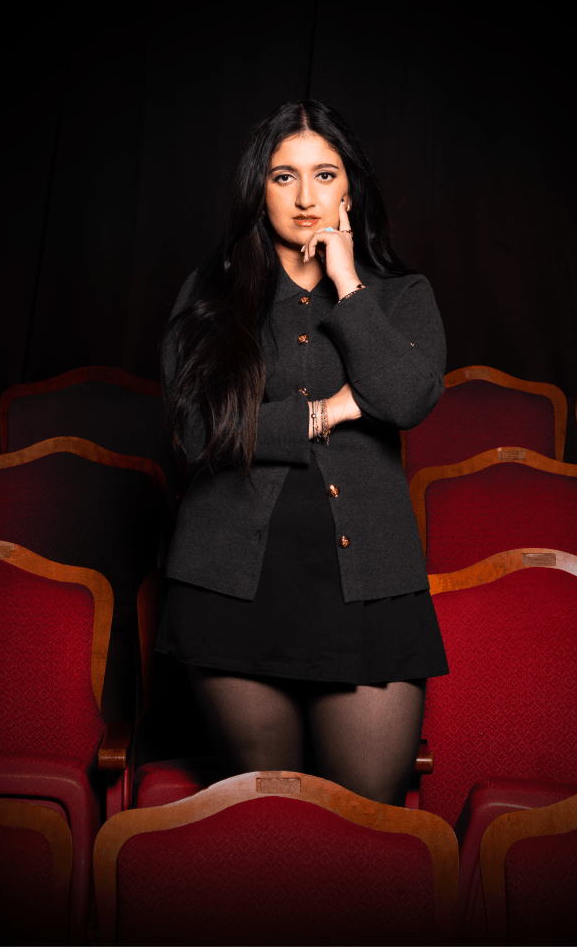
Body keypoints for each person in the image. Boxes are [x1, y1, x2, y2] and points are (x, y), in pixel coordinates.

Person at [158, 100, 448, 806]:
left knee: (368, 825)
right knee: (267, 826)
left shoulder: (401, 296)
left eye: (325, 174)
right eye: (284, 176)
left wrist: (349, 282)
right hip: (231, 588)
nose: (307, 195)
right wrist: (330, 412)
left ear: (351, 188)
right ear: (259, 188)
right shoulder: (210, 296)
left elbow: (406, 397)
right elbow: (200, 434)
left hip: (370, 592)